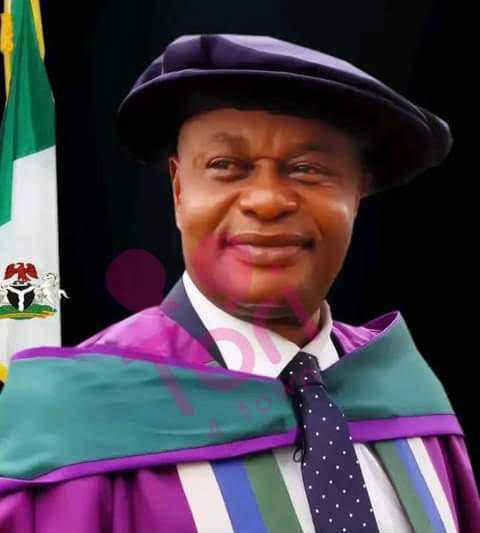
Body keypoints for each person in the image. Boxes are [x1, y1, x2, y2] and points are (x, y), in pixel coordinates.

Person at [0, 33, 478, 533]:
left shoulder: (408, 404)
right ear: (179, 190)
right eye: (226, 166)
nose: (267, 201)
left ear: (356, 194)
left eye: (307, 169)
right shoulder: (78, 427)